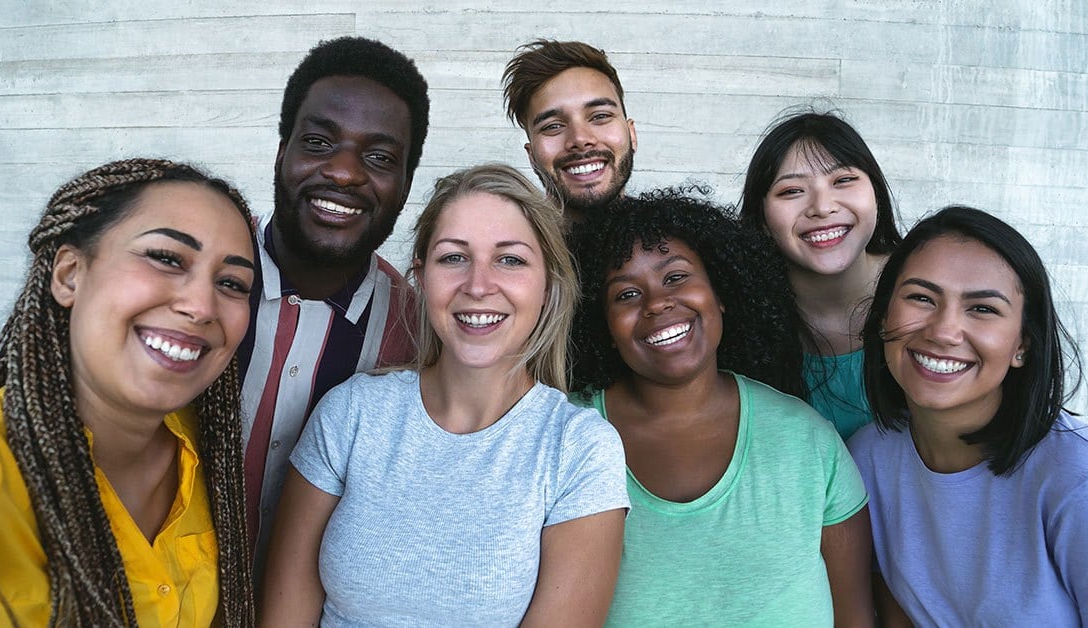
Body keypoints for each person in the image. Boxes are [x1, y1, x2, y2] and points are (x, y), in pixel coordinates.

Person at [258, 164, 628, 626]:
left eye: (510, 260)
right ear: (422, 275)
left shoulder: (579, 449)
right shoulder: (351, 414)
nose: (477, 285)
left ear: (548, 284)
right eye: (453, 257)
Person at [0, 158, 256, 626]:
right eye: (165, 257)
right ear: (70, 274)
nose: (201, 306)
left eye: (231, 283)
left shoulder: (203, 452)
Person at [569, 189, 872, 626]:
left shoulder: (807, 439)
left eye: (675, 277)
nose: (656, 302)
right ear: (603, 325)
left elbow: (856, 616)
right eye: (626, 295)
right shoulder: (567, 434)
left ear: (720, 293)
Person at [849, 205, 1088, 626]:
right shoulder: (867, 457)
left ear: (1022, 345)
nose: (943, 331)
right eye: (921, 298)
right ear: (883, 317)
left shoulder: (1083, 481)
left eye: (983, 309)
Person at [239, 36, 430, 568]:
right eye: (320, 143)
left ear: (405, 183)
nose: (344, 172)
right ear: (282, 153)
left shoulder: (415, 333)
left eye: (378, 157)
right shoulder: (196, 278)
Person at [739, 110, 903, 440]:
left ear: (876, 193)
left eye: (843, 181)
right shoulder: (740, 318)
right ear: (761, 218)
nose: (822, 207)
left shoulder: (924, 286)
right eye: (791, 191)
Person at [503, 39, 637, 229]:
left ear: (632, 134)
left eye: (600, 116)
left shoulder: (678, 245)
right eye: (553, 126)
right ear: (531, 155)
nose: (580, 139)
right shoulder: (510, 248)